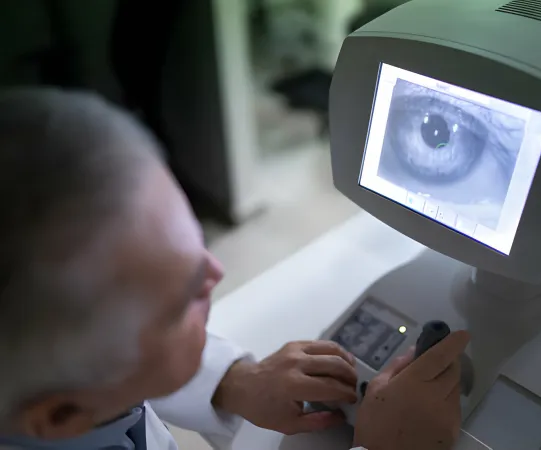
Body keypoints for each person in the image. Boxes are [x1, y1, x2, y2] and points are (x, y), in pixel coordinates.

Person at [0, 88, 469, 450]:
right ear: (61, 417)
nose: (218, 273)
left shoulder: (61, 384)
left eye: (195, 245)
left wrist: (229, 381)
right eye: (178, 306)